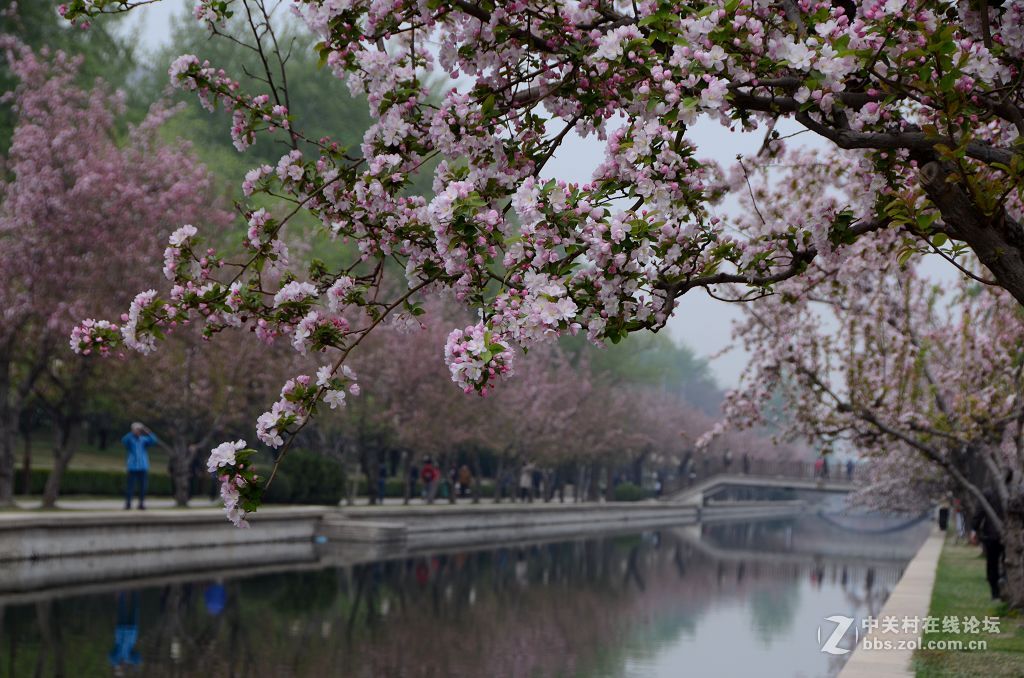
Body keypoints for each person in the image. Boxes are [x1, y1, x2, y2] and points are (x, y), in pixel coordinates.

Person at [971, 495, 1005, 599]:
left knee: (992, 564)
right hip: (1009, 533)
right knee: (1006, 561)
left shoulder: (989, 493)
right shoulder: (1014, 491)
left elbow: (979, 512)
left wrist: (974, 529)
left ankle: (995, 592)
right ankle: (1003, 586)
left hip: (991, 534)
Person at [122, 423, 157, 510]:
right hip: (132, 467)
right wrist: (131, 432)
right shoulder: (130, 440)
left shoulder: (143, 440)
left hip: (143, 467)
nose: (138, 431)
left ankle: (141, 503)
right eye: (136, 430)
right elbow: (123, 440)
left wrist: (148, 432)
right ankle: (128, 504)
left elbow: (154, 440)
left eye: (139, 430)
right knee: (130, 487)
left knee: (143, 487)